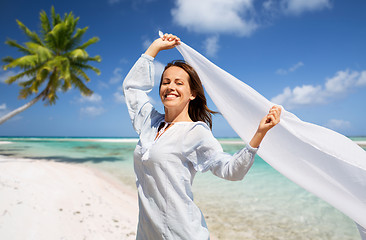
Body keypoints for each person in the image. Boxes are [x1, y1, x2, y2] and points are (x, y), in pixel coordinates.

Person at [123, 33, 281, 240]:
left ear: (192, 93)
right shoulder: (149, 123)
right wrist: (154, 49)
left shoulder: (196, 131)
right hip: (146, 233)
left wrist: (259, 134)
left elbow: (230, 171)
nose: (170, 87)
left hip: (183, 234)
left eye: (179, 83)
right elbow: (132, 88)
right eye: (166, 82)